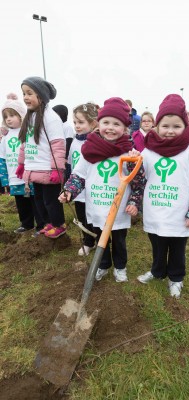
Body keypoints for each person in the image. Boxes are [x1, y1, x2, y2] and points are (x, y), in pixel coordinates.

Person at [59, 97, 145, 282]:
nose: (111, 127)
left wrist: (134, 202)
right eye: (106, 122)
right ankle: (104, 265)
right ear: (98, 124)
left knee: (119, 242)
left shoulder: (128, 153)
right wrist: (69, 191)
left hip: (119, 210)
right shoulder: (89, 151)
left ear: (125, 128)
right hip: (97, 207)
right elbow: (78, 175)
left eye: (117, 124)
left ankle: (120, 267)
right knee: (100, 239)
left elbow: (138, 182)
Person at [135, 94, 189, 298]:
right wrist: (131, 164)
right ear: (157, 126)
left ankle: (176, 278)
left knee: (177, 248)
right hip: (155, 211)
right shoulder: (149, 151)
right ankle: (157, 271)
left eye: (176, 126)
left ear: (185, 127)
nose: (170, 131)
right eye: (165, 126)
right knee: (157, 245)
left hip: (180, 214)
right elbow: (139, 179)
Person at [16, 76, 66, 239]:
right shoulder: (30, 117)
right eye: (24, 93)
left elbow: (58, 145)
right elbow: (25, 143)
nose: (25, 97)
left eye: (29, 93)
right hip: (33, 168)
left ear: (41, 95)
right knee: (39, 201)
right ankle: (49, 223)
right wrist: (22, 164)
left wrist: (56, 169)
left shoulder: (50, 118)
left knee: (51, 201)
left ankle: (59, 225)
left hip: (47, 169)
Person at [0, 94, 43, 233]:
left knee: (34, 200)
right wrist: (4, 177)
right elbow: (3, 159)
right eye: (6, 116)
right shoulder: (5, 138)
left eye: (12, 115)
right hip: (14, 177)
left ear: (21, 115)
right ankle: (26, 224)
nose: (9, 119)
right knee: (21, 201)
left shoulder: (27, 132)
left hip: (29, 175)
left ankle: (41, 224)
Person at [68, 102, 98, 255]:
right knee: (82, 216)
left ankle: (99, 240)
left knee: (93, 217)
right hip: (77, 189)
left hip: (92, 189)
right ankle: (88, 242)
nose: (77, 126)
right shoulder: (75, 141)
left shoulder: (95, 142)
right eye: (74, 122)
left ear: (93, 123)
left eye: (81, 122)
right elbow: (71, 164)